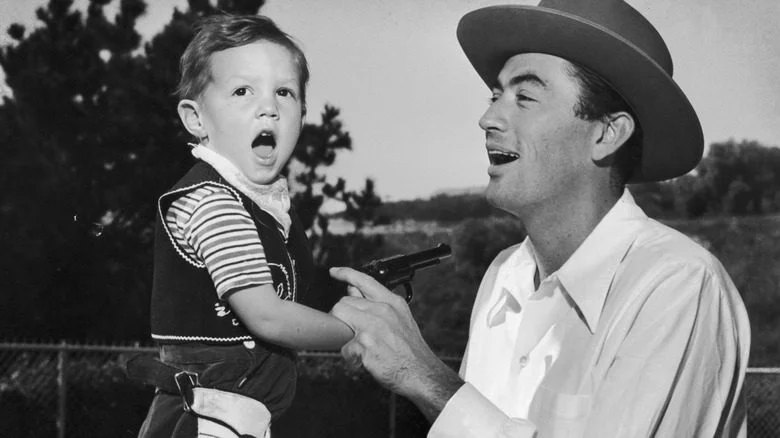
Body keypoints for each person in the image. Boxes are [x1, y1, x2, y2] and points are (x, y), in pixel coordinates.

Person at [330, 1, 751, 436]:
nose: (488, 118)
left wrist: (423, 376)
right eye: (496, 95)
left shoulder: (677, 285)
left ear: (607, 133)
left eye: (524, 97)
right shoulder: (503, 275)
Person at [136, 14, 353, 438]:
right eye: (242, 91)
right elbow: (268, 316)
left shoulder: (266, 208)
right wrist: (354, 333)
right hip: (206, 419)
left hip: (241, 415)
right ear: (196, 120)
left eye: (284, 93)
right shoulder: (215, 204)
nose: (268, 106)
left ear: (302, 115)